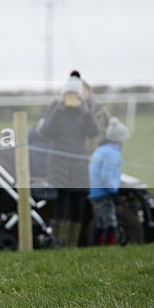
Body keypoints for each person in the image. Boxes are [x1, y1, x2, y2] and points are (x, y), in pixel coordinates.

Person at [38, 72, 99, 247]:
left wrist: (86, 112)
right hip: (59, 165)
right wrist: (59, 110)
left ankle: (72, 243)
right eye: (69, 93)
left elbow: (93, 132)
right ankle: (58, 241)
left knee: (77, 204)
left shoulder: (84, 112)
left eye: (75, 94)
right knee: (61, 203)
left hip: (79, 164)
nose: (72, 97)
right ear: (64, 94)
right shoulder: (56, 109)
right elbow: (45, 132)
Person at [88, 117, 130, 245]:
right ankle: (108, 246)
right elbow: (107, 176)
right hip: (104, 193)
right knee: (110, 222)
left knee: (100, 222)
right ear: (119, 139)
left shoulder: (100, 150)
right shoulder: (112, 154)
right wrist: (114, 192)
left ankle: (96, 246)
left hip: (95, 192)